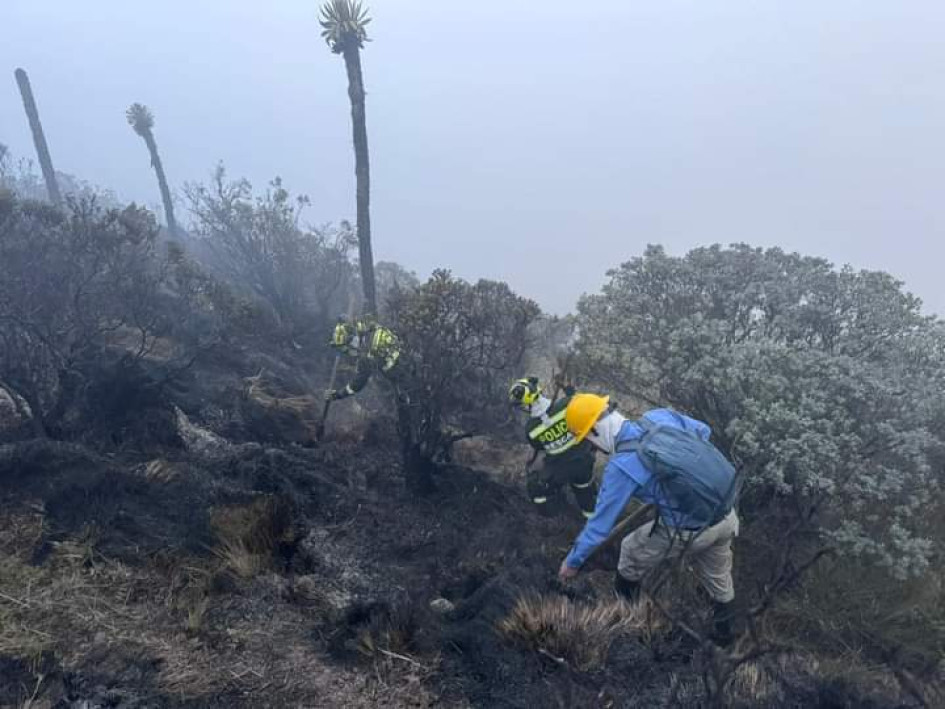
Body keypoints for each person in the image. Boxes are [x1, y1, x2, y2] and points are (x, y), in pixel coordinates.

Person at [557, 393, 739, 645]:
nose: (593, 449)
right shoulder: (659, 417)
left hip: (689, 531)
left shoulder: (621, 467)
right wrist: (678, 482)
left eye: (588, 441)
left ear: (595, 431)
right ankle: (726, 640)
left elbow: (599, 526)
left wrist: (572, 562)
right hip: (726, 514)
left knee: (630, 550)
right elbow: (703, 432)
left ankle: (629, 621)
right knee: (720, 580)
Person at [508, 377, 598, 519]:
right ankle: (594, 521)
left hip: (560, 471)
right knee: (586, 493)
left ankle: (555, 515)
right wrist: (571, 394)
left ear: (527, 404)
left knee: (536, 488)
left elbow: (539, 446)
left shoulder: (531, 430)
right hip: (585, 462)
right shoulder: (568, 404)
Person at [327, 316, 401, 401]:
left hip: (405, 381)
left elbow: (358, 383)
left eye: (348, 349)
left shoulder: (368, 356)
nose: (349, 353)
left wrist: (338, 395)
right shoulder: (369, 328)